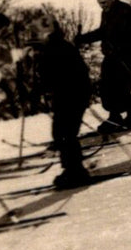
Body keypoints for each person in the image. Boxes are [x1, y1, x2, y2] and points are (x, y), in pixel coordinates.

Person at [25, 13, 95, 189]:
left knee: (65, 133)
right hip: (69, 95)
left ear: (48, 32)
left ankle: (75, 172)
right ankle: (73, 169)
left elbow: (54, 76)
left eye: (38, 32)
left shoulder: (56, 49)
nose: (36, 36)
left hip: (72, 95)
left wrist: (39, 89)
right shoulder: (54, 47)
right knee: (62, 133)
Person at [75, 0, 131, 133]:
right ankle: (124, 116)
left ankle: (124, 117)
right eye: (99, 3)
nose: (102, 6)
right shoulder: (107, 13)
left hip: (126, 55)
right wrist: (83, 38)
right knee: (106, 87)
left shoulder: (126, 11)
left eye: (104, 2)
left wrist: (122, 46)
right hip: (111, 56)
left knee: (120, 87)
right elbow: (102, 32)